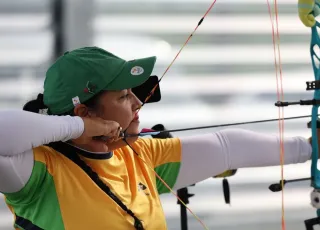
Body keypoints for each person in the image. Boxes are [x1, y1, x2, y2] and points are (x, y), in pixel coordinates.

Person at [0, 46, 316, 230]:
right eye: (124, 96)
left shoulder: (141, 155)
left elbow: (227, 148)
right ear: (84, 112)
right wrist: (78, 128)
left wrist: (311, 149)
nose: (139, 103)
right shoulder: (39, 172)